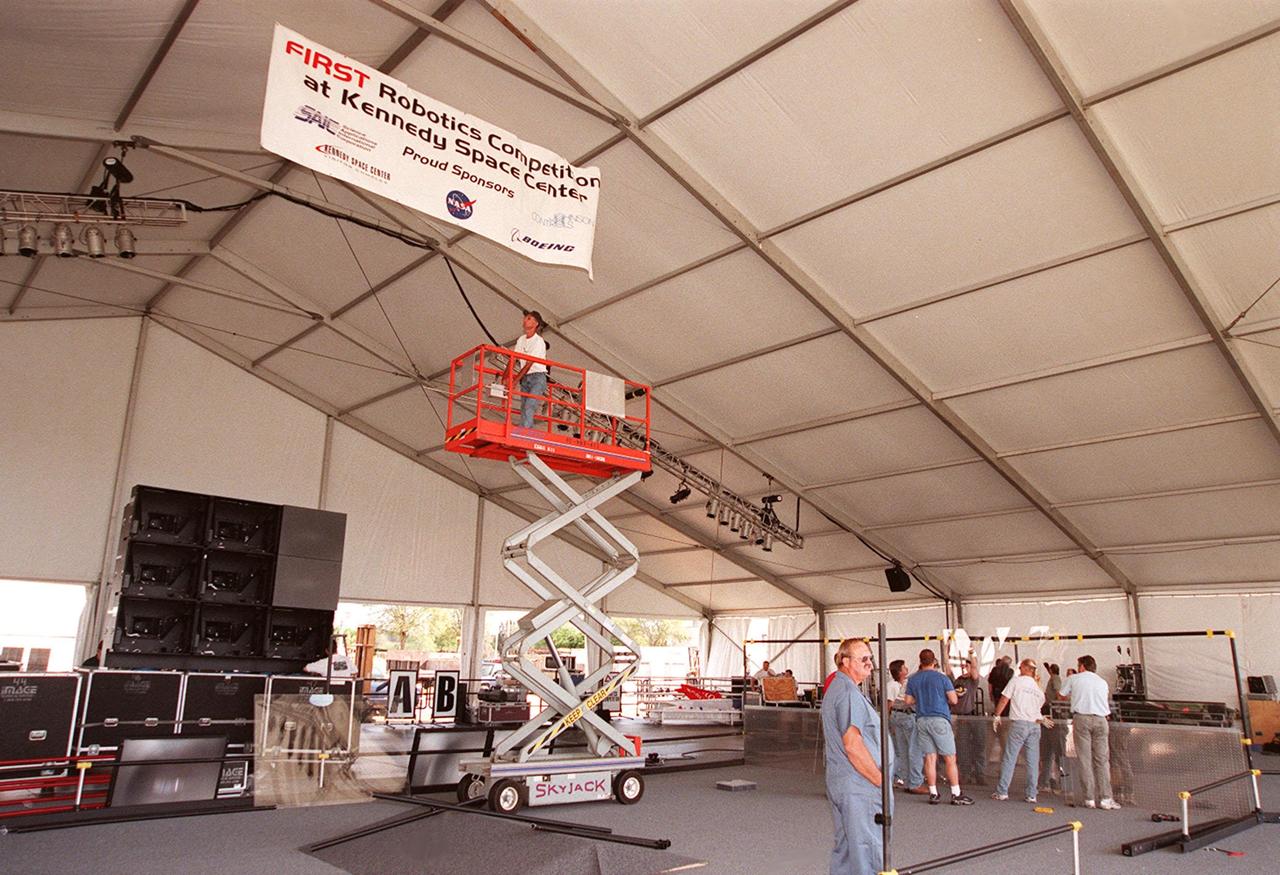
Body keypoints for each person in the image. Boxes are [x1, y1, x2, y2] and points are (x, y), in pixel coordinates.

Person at [822, 638, 890, 875]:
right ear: (845, 661)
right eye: (863, 659)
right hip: (860, 785)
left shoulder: (840, 689)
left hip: (845, 783)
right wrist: (880, 781)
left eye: (870, 658)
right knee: (867, 852)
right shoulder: (848, 693)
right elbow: (852, 745)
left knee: (848, 851)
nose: (869, 664)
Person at [903, 650, 973, 805]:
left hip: (921, 720)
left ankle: (933, 793)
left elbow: (908, 701)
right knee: (950, 758)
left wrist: (921, 698)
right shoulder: (942, 678)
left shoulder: (913, 679)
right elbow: (954, 700)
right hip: (939, 719)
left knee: (929, 758)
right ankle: (956, 793)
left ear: (920, 662)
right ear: (934, 661)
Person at [1058, 654, 1119, 810]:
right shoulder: (1102, 682)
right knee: (1102, 760)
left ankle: (1089, 798)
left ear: (1082, 666)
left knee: (1085, 759)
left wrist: (1074, 695)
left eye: (1079, 665)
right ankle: (1106, 798)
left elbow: (1061, 695)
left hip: (1082, 719)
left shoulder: (1074, 678)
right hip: (1101, 719)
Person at [991, 659, 1047, 803]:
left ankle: (1002, 791)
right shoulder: (1037, 687)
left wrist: (997, 715)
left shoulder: (1016, 681)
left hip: (1019, 724)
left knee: (1010, 757)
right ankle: (1031, 794)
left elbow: (1004, 699)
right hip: (1035, 725)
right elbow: (1040, 705)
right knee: (1032, 761)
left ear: (1023, 668)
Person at [951, 656, 986, 786]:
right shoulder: (957, 681)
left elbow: (975, 670)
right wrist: (946, 648)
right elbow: (948, 669)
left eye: (968, 666)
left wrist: (972, 654)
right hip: (961, 717)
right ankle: (965, 774)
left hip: (974, 716)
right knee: (962, 747)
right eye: (964, 666)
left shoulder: (973, 681)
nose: (966, 668)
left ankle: (980, 774)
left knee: (979, 745)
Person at [513, 310, 548, 429]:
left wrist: (515, 380)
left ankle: (524, 432)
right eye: (525, 318)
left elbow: (528, 364)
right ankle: (526, 430)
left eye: (528, 318)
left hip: (537, 377)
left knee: (529, 405)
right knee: (524, 407)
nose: (525, 320)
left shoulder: (539, 341)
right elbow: (514, 358)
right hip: (526, 377)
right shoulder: (521, 339)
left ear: (536, 323)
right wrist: (505, 376)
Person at [885, 660, 914, 789]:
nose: (906, 668)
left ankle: (904, 774)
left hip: (902, 716)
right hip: (897, 716)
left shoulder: (905, 683)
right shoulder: (892, 685)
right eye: (904, 667)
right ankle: (897, 775)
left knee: (904, 747)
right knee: (899, 748)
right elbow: (889, 704)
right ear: (899, 671)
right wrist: (888, 721)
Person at [1038, 663, 1066, 795]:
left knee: (1056, 753)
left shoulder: (1055, 679)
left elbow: (1057, 693)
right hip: (1051, 713)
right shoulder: (1053, 678)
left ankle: (1063, 784)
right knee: (1050, 753)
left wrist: (1056, 703)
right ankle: (1048, 782)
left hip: (1054, 714)